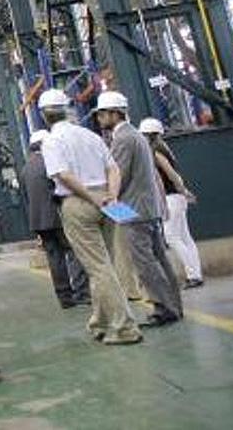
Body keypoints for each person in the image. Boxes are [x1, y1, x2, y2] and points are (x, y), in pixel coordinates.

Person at [37, 89, 143, 345]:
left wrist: (91, 197)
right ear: (67, 109)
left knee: (97, 267)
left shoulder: (51, 141)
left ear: (44, 115)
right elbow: (113, 168)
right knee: (103, 264)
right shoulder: (90, 135)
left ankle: (125, 328)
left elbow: (63, 175)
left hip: (78, 202)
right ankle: (100, 321)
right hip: (106, 200)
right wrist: (111, 196)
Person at [94, 92, 184, 327]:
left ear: (115, 113)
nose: (100, 118)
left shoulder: (123, 138)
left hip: (133, 210)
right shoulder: (136, 136)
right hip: (145, 208)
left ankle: (163, 308)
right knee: (159, 258)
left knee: (145, 262)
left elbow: (118, 175)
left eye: (103, 113)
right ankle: (174, 305)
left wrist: (102, 198)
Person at [21, 129, 89, 308]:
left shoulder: (26, 167)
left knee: (54, 257)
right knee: (74, 250)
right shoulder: (49, 161)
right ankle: (81, 291)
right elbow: (60, 187)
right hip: (57, 217)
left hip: (39, 222)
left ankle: (64, 297)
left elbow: (26, 197)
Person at [140, 118, 203, 289]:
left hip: (170, 198)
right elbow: (174, 174)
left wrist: (182, 191)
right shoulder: (164, 148)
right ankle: (195, 274)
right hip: (177, 197)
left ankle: (192, 275)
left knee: (172, 237)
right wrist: (184, 191)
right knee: (185, 237)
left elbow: (169, 174)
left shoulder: (155, 151)